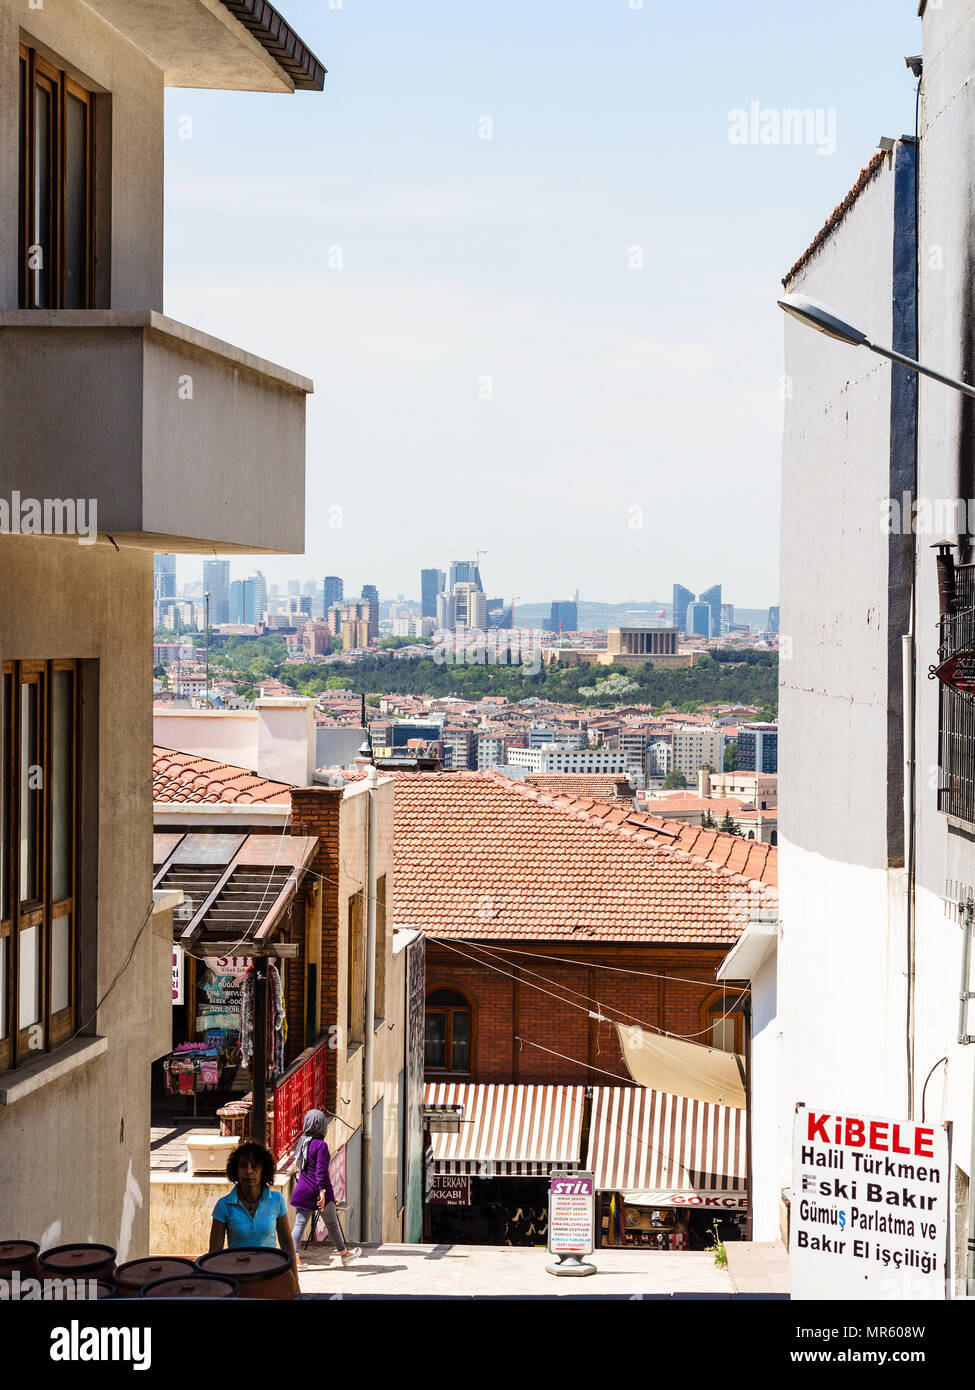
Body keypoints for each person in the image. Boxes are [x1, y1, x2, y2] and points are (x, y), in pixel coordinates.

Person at [209, 1141, 298, 1275]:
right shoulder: (223, 1205)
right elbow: (215, 1252)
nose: (249, 1171)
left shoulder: (276, 1200)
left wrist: (294, 1280)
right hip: (237, 1276)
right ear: (236, 1170)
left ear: (263, 1170)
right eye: (243, 1166)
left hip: (270, 1274)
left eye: (254, 1166)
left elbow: (286, 1243)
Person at [290, 1109, 360, 1267]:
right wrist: (322, 1191)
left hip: (302, 1188)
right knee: (332, 1224)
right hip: (319, 1190)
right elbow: (320, 1171)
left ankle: (294, 1258)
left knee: (299, 1225)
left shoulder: (303, 1142)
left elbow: (301, 1165)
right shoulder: (321, 1145)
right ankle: (344, 1254)